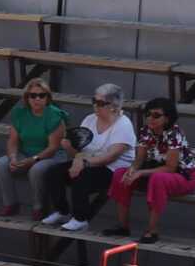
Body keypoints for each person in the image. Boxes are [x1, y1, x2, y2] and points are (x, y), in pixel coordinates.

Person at [40, 82, 135, 231]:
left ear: (114, 106)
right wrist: (70, 149)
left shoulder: (123, 124)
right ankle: (62, 211)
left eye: (100, 103)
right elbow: (79, 151)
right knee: (53, 172)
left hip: (113, 169)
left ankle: (80, 219)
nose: (95, 106)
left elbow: (110, 157)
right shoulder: (89, 119)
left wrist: (83, 163)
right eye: (94, 101)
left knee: (82, 176)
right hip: (88, 162)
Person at [108, 97, 195, 243]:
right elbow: (139, 159)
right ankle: (122, 226)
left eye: (156, 115)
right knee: (120, 174)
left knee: (158, 179)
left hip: (183, 176)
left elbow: (170, 168)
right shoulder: (146, 130)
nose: (150, 118)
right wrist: (132, 169)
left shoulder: (174, 133)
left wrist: (140, 173)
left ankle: (152, 231)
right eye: (148, 114)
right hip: (154, 172)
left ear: (167, 118)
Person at [0, 75, 69, 218]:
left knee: (36, 169)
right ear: (27, 98)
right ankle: (10, 204)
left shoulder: (55, 116)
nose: (37, 99)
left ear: (47, 97)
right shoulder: (20, 113)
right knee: (1, 163)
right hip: (26, 152)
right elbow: (13, 141)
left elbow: (53, 147)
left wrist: (33, 159)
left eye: (41, 95)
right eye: (32, 95)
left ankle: (39, 207)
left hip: (52, 156)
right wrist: (13, 158)